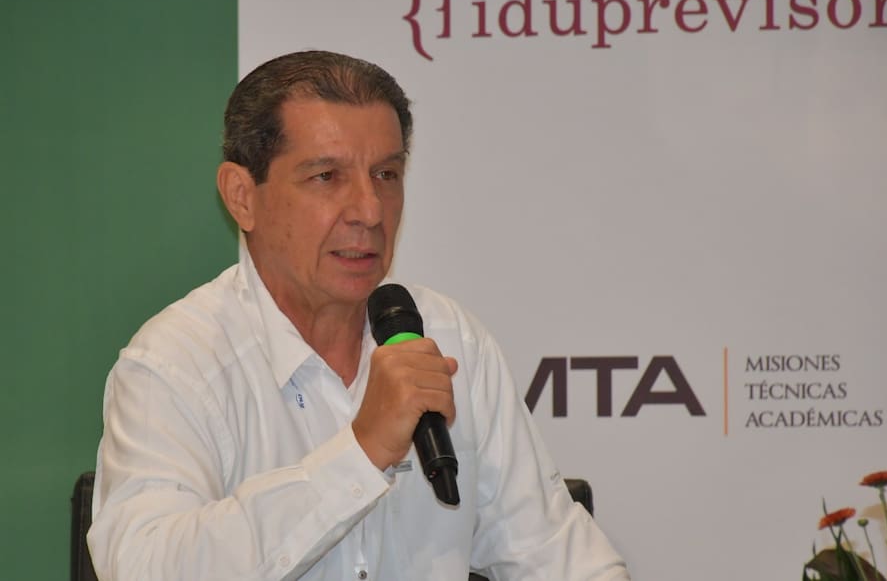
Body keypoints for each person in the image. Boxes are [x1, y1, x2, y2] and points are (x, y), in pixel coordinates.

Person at [87, 50, 630, 580]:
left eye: (386, 174)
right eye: (327, 176)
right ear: (242, 196)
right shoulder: (177, 363)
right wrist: (360, 453)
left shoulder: (451, 339)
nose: (370, 211)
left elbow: (559, 558)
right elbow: (143, 568)